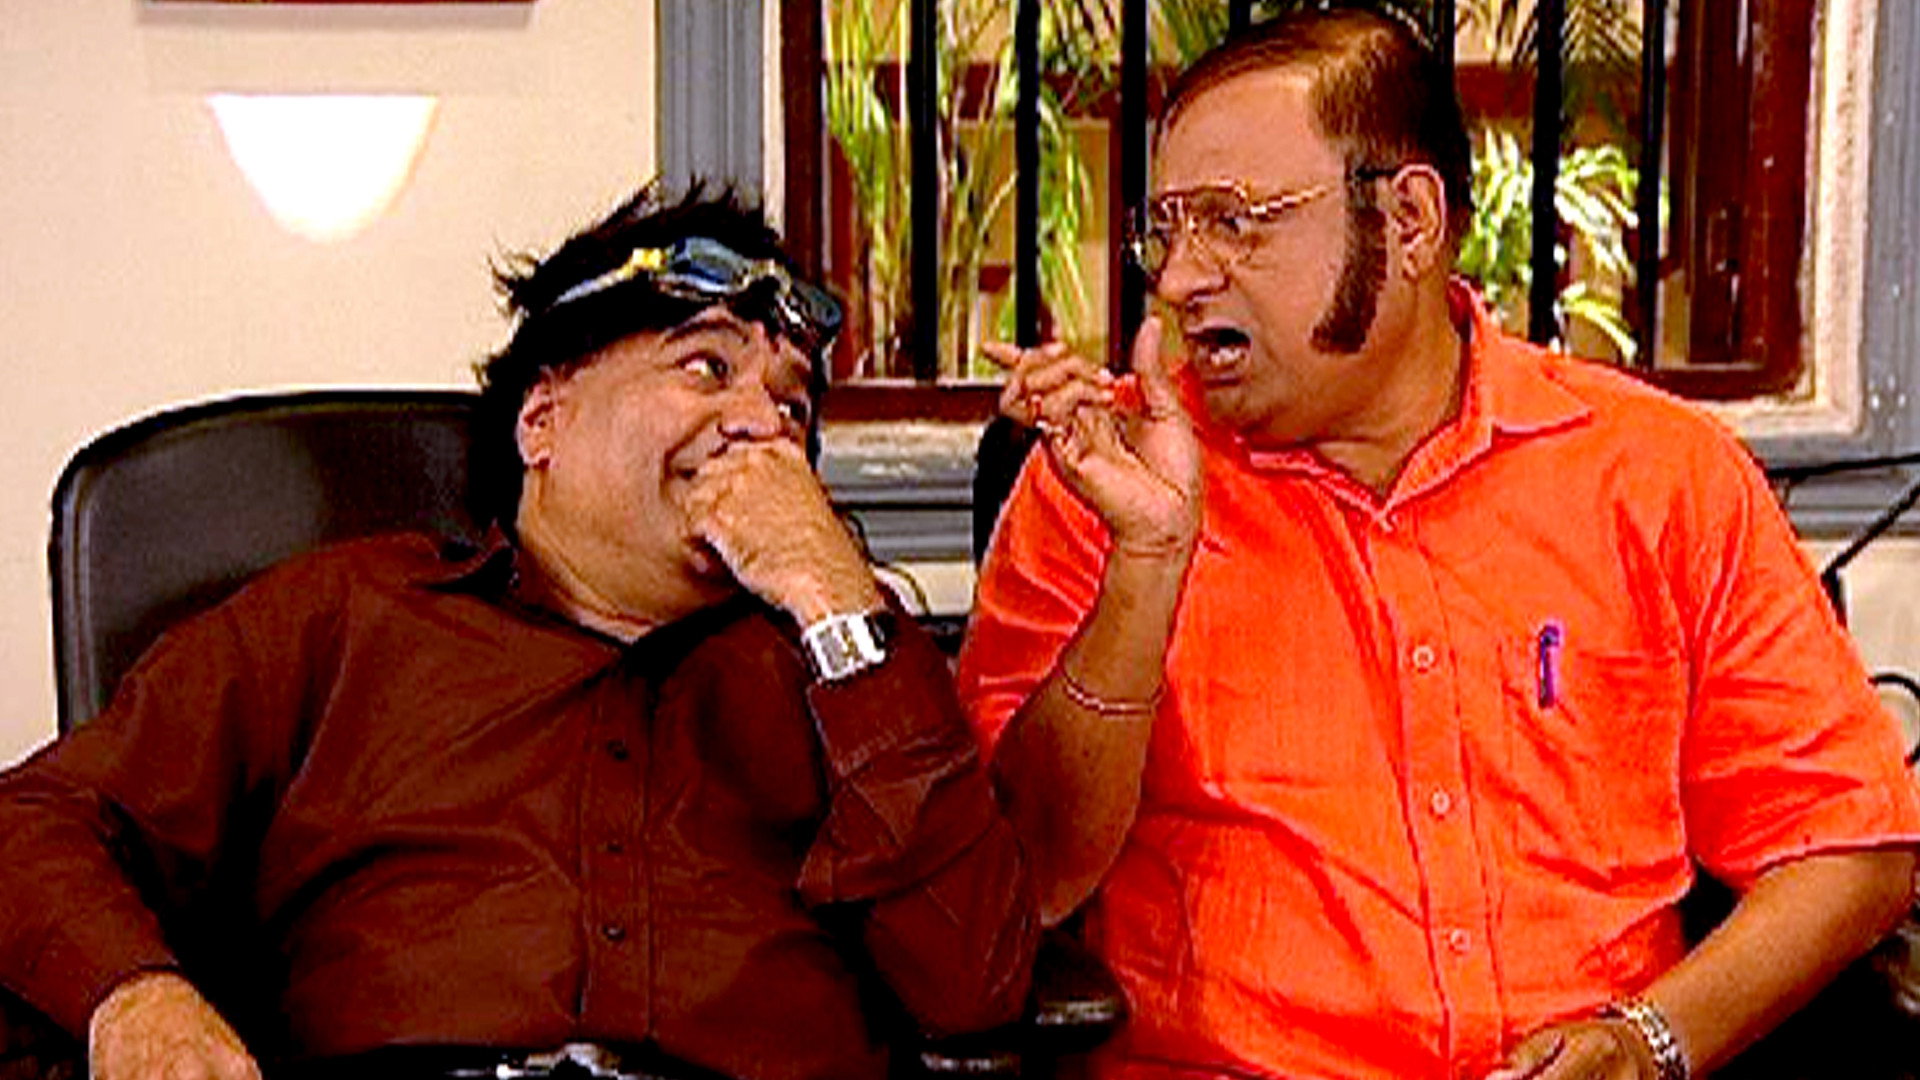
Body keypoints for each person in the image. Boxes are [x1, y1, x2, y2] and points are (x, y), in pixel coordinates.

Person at [957, 7, 1920, 1080]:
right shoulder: (1104, 479)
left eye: (1234, 222)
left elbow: (1850, 846)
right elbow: (1023, 885)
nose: (1181, 278)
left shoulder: (1657, 473)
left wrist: (1647, 1042)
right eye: (1168, 230)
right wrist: (1145, 566)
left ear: (1408, 220)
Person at [0, 183, 1038, 1080]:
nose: (764, 424)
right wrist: (134, 997)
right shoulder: (350, 618)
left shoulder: (848, 671)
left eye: (793, 407)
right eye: (705, 369)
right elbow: (36, 822)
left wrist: (838, 605)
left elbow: (974, 986)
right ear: (542, 422)